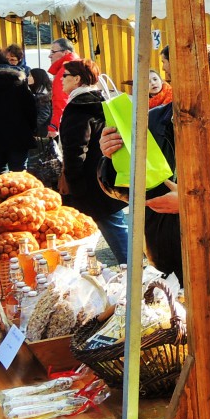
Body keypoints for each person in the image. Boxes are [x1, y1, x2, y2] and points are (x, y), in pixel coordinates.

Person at [98, 45, 210, 366]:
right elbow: (119, 186)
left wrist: (191, 202)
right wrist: (111, 159)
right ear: (185, 86)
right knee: (171, 357)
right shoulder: (151, 122)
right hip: (164, 263)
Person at [59, 58, 130, 264]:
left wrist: (74, 186)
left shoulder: (78, 108)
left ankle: (137, 275)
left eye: (65, 76)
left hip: (89, 183)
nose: (61, 80)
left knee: (112, 227)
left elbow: (75, 151)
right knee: (114, 224)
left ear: (77, 79)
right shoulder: (100, 101)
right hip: (106, 173)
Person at [48, 38, 80, 134]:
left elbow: (61, 102)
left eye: (53, 52)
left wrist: (53, 127)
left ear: (65, 53)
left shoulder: (65, 71)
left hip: (68, 125)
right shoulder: (80, 66)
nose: (50, 56)